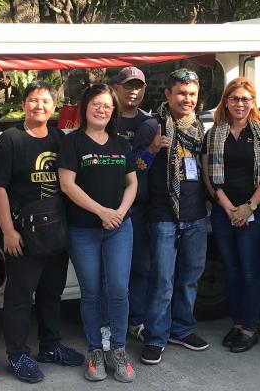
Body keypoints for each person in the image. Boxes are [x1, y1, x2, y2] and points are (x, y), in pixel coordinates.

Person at [0, 81, 84, 383]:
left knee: (51, 293)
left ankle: (50, 346)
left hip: (56, 232)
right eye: (32, 100)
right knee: (19, 298)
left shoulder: (59, 138)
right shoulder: (10, 140)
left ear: (53, 107)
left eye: (45, 101)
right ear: (24, 104)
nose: (38, 105)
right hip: (23, 235)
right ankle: (17, 355)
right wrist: (8, 230)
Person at [58, 83, 138, 383]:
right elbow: (68, 185)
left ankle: (117, 349)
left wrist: (118, 212)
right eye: (96, 104)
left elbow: (132, 183)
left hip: (119, 229)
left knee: (118, 289)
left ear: (113, 110)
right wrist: (102, 212)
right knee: (91, 292)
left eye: (107, 105)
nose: (101, 109)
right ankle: (95, 350)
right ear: (85, 107)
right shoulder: (73, 143)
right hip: (84, 230)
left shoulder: (121, 144)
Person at [133, 68, 210, 365]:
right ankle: (155, 337)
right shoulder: (151, 126)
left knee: (190, 277)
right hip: (163, 215)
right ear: (167, 94)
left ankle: (182, 328)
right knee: (162, 280)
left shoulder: (199, 129)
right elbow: (135, 168)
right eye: (181, 93)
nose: (187, 99)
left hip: (195, 214)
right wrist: (152, 149)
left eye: (192, 94)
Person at [200, 77, 260, 353]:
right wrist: (226, 205)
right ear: (226, 101)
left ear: (253, 102)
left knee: (249, 270)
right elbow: (208, 174)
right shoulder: (215, 133)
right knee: (231, 270)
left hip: (253, 213)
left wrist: (249, 206)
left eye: (245, 99)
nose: (240, 104)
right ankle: (237, 323)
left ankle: (249, 327)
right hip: (224, 213)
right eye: (234, 98)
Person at [112, 67, 154, 342]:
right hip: (106, 209)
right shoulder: (104, 117)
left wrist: (147, 156)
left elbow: (141, 170)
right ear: (116, 87)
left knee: (140, 267)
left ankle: (135, 320)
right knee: (112, 272)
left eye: (138, 86)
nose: (133, 91)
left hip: (140, 208)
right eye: (128, 86)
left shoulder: (151, 124)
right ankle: (110, 322)